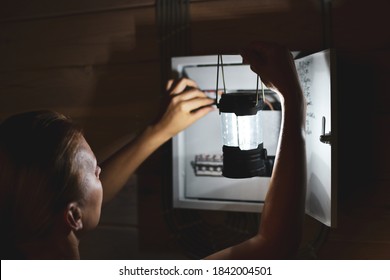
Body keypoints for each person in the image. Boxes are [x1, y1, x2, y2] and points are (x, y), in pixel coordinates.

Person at [0, 41, 306, 260]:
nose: (101, 171)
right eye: (94, 171)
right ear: (72, 216)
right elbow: (275, 246)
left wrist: (158, 130)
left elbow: (81, 198)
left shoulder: (31, 238)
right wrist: (292, 99)